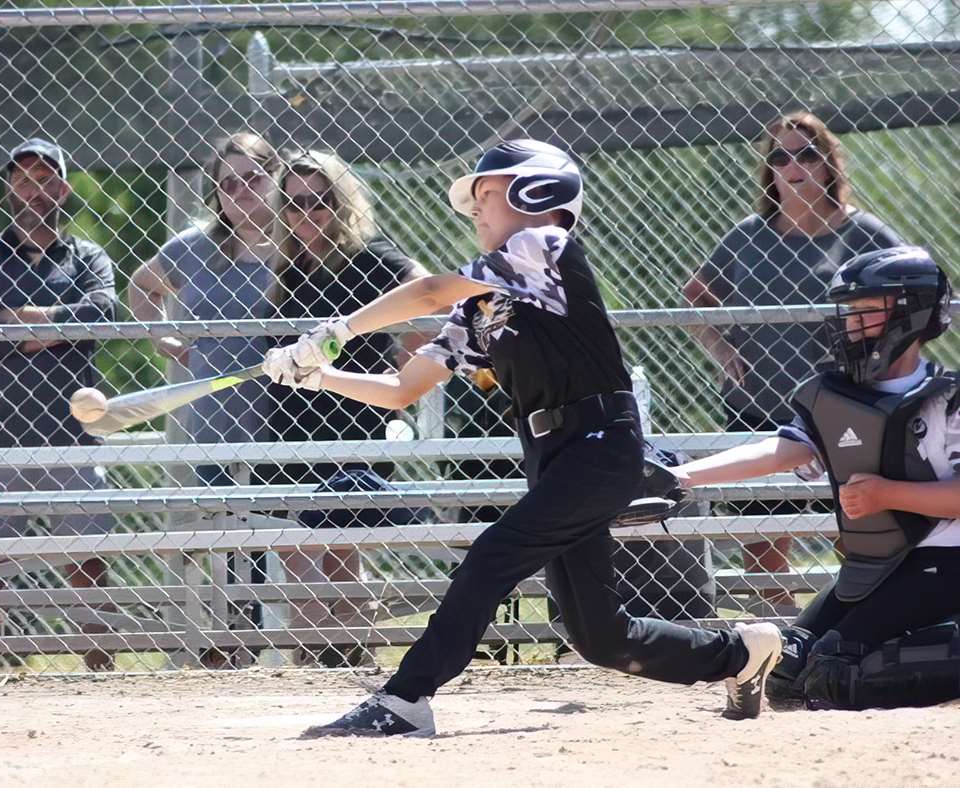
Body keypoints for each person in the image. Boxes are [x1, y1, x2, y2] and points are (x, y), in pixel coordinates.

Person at [263, 139, 783, 737]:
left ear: (538, 194)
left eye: (487, 194)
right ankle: (742, 653)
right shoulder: (483, 305)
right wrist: (318, 375)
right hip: (555, 458)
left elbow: (431, 291)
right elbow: (404, 388)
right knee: (602, 637)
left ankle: (405, 699)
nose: (477, 210)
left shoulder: (546, 245)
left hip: (598, 444)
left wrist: (335, 330)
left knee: (491, 557)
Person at [671, 246, 960, 710]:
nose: (852, 322)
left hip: (947, 564)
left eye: (867, 309)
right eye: (850, 311)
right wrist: (680, 476)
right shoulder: (836, 395)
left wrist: (887, 494)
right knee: (787, 673)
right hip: (877, 567)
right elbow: (783, 450)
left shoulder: (948, 398)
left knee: (835, 673)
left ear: (912, 311)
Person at [682, 112, 904, 610]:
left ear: (827, 165)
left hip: (845, 406)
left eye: (805, 153)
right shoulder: (750, 234)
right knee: (763, 537)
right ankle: (783, 641)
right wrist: (721, 347)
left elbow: (914, 291)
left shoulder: (863, 232)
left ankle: (856, 624)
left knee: (858, 527)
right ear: (770, 170)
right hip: (758, 403)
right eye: (780, 156)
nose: (792, 165)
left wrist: (879, 362)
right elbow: (696, 295)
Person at [0, 139, 118, 673]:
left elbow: (104, 311)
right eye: (23, 179)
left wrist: (30, 319)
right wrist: (62, 326)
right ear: (9, 188)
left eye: (46, 178)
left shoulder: (87, 256)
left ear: (64, 188)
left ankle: (101, 668)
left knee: (88, 558)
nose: (35, 189)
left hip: (70, 431)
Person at [265, 150, 432, 667]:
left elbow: (431, 308)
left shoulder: (371, 256)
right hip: (290, 420)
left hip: (355, 418)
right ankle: (331, 658)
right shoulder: (290, 266)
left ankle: (341, 658)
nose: (305, 216)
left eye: (319, 203)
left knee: (337, 544)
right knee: (298, 544)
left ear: (342, 204)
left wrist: (402, 381)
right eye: (293, 205)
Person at [127, 131, 282, 668]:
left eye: (253, 178)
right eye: (228, 183)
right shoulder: (195, 246)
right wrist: (164, 338)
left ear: (274, 177)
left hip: (284, 415)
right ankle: (237, 639)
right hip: (215, 417)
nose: (241, 191)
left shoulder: (295, 244)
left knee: (277, 531)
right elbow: (141, 285)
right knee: (225, 534)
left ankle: (309, 639)